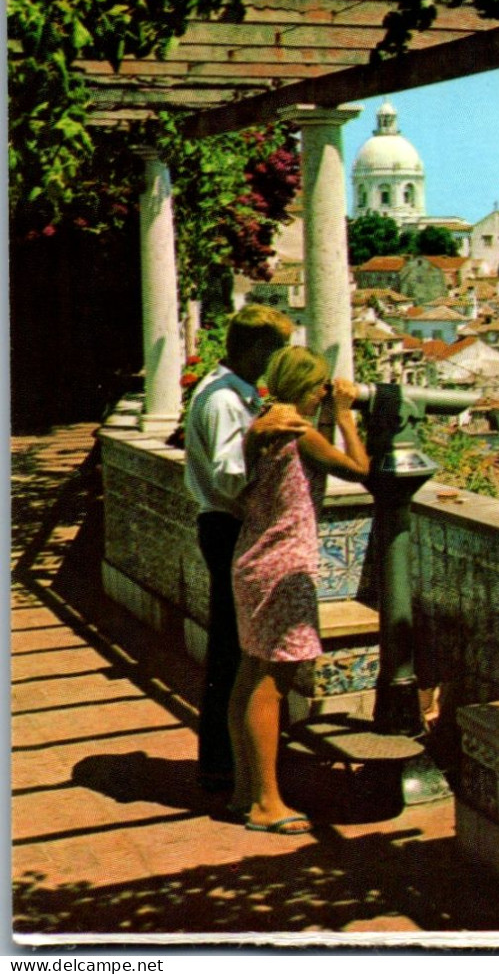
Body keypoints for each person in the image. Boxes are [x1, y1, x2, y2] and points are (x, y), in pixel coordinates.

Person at [228, 347, 369, 834]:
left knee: (250, 674)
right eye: (321, 387)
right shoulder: (298, 430)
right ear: (309, 389)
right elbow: (359, 470)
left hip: (253, 558)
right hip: (284, 566)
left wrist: (326, 415)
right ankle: (267, 804)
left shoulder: (267, 423)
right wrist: (346, 417)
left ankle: (245, 790)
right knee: (274, 682)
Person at [183, 304, 305, 794]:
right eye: (276, 350)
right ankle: (227, 765)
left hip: (227, 528)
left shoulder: (233, 393)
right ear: (256, 348)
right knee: (235, 654)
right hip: (228, 527)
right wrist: (259, 439)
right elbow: (228, 478)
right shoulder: (224, 401)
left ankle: (233, 761)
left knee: (237, 650)